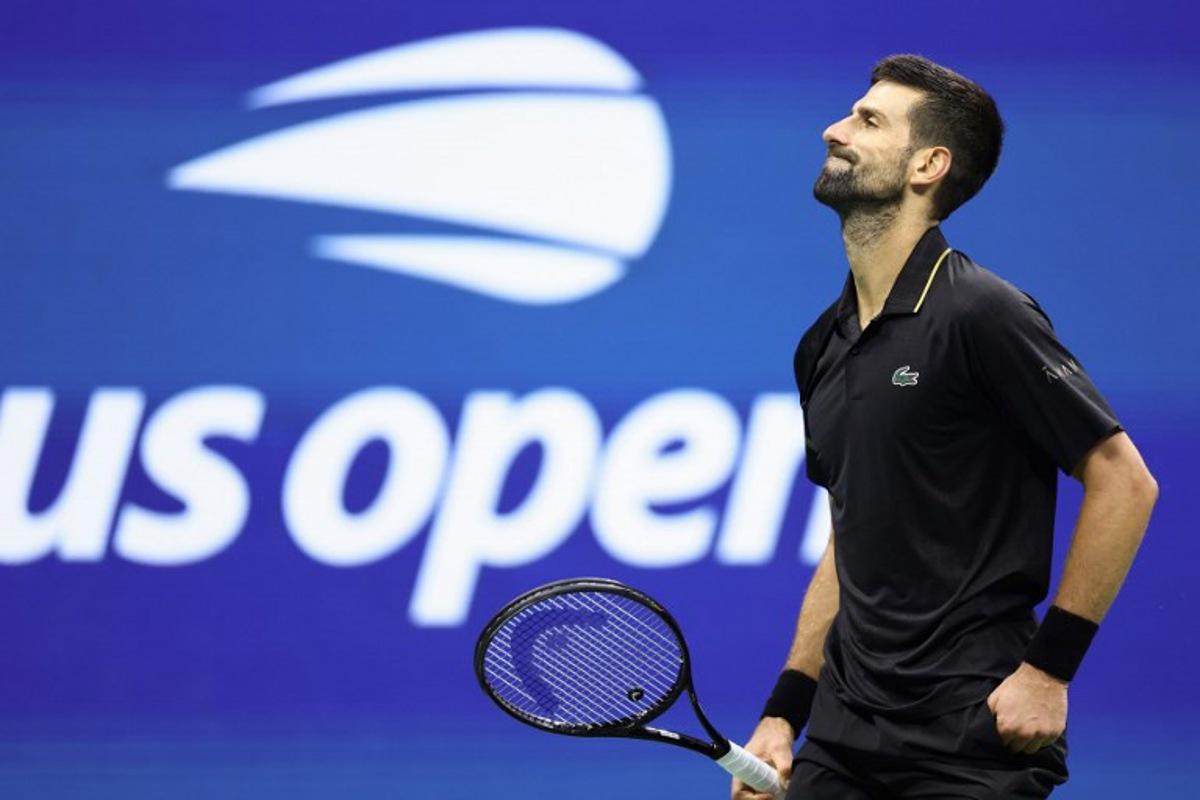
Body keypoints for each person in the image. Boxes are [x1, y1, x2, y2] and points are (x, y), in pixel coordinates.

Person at [732, 55, 1159, 799]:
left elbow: (1125, 482)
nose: (833, 129)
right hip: (842, 736)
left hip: (967, 735)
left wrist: (1050, 670)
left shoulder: (981, 312)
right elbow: (849, 536)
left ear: (928, 165)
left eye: (868, 121)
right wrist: (783, 712)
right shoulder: (821, 345)